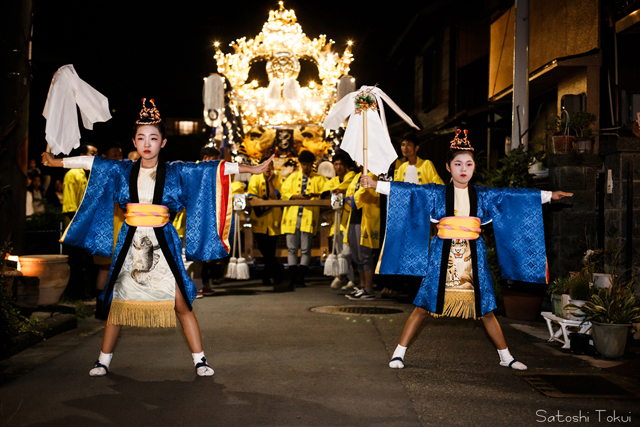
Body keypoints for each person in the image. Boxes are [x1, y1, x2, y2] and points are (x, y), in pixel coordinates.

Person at [42, 98, 273, 377]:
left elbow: (212, 169)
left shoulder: (176, 171)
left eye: (153, 137)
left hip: (162, 241)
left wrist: (252, 169)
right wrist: (55, 162)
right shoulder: (122, 170)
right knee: (119, 301)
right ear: (134, 142)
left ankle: (200, 359)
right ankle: (103, 359)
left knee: (179, 302)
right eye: (141, 138)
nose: (147, 143)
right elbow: (92, 162)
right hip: (131, 242)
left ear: (163, 142)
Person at [361, 129, 573, 370]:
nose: (464, 168)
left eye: (469, 164)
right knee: (422, 307)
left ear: (474, 167)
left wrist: (548, 196)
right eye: (458, 163)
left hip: (474, 255)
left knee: (486, 309)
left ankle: (506, 356)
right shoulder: (436, 193)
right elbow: (409, 192)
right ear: (448, 167)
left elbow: (514, 197)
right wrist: (375, 184)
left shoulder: (483, 195)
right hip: (443, 254)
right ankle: (398, 353)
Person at [281, 150, 327, 288]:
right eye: (303, 164)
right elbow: (284, 192)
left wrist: (316, 195)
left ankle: (301, 278)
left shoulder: (319, 178)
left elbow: (326, 192)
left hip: (308, 217)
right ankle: (293, 278)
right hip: (292, 217)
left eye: (308, 164)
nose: (305, 167)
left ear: (312, 164)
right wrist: (299, 197)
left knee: (306, 248)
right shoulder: (293, 177)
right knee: (292, 248)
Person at [321, 151, 356, 289]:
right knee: (341, 252)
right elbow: (323, 194)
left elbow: (343, 187)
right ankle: (350, 280)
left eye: (341, 164)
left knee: (346, 252)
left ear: (346, 165)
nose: (339, 166)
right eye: (336, 164)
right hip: (336, 222)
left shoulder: (351, 177)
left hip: (349, 220)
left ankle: (342, 276)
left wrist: (337, 191)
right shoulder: (332, 181)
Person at [93, 142, 126, 294]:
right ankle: (102, 306)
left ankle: (111, 305)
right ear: (104, 156)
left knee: (120, 267)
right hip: (106, 228)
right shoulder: (102, 174)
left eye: (120, 154)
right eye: (114, 154)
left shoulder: (121, 173)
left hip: (120, 225)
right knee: (105, 267)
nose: (118, 158)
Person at [344, 167, 380, 300]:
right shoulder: (357, 175)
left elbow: (355, 199)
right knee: (356, 255)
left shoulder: (372, 175)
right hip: (353, 219)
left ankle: (369, 289)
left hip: (365, 220)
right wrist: (350, 199)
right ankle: (362, 286)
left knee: (365, 254)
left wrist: (350, 199)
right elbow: (348, 195)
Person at [247, 157, 283, 286]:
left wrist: (269, 182)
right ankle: (277, 272)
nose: (268, 168)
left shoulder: (277, 178)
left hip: (273, 221)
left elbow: (276, 196)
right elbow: (252, 196)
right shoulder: (255, 178)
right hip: (259, 220)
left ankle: (268, 277)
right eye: (266, 165)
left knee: (271, 250)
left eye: (270, 166)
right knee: (265, 251)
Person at [62, 144, 98, 221]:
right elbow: (70, 206)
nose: (96, 157)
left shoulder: (96, 174)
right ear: (82, 156)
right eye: (92, 154)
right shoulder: (72, 174)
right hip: (75, 220)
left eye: (97, 154)